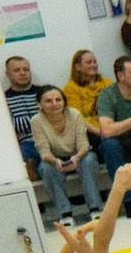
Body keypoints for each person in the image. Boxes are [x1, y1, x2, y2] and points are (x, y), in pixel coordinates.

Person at [28, 86, 106, 219]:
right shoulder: (36, 121)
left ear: (64, 102)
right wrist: (56, 161)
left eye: (58, 100)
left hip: (79, 155)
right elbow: (44, 152)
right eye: (48, 101)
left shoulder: (74, 114)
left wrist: (76, 157)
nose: (54, 104)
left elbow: (83, 145)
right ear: (39, 104)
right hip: (54, 159)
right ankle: (65, 212)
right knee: (46, 168)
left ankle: (95, 207)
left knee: (88, 161)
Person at [89, 55, 131, 183]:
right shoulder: (107, 95)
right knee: (109, 144)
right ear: (120, 76)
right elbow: (106, 131)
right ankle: (127, 199)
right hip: (118, 148)